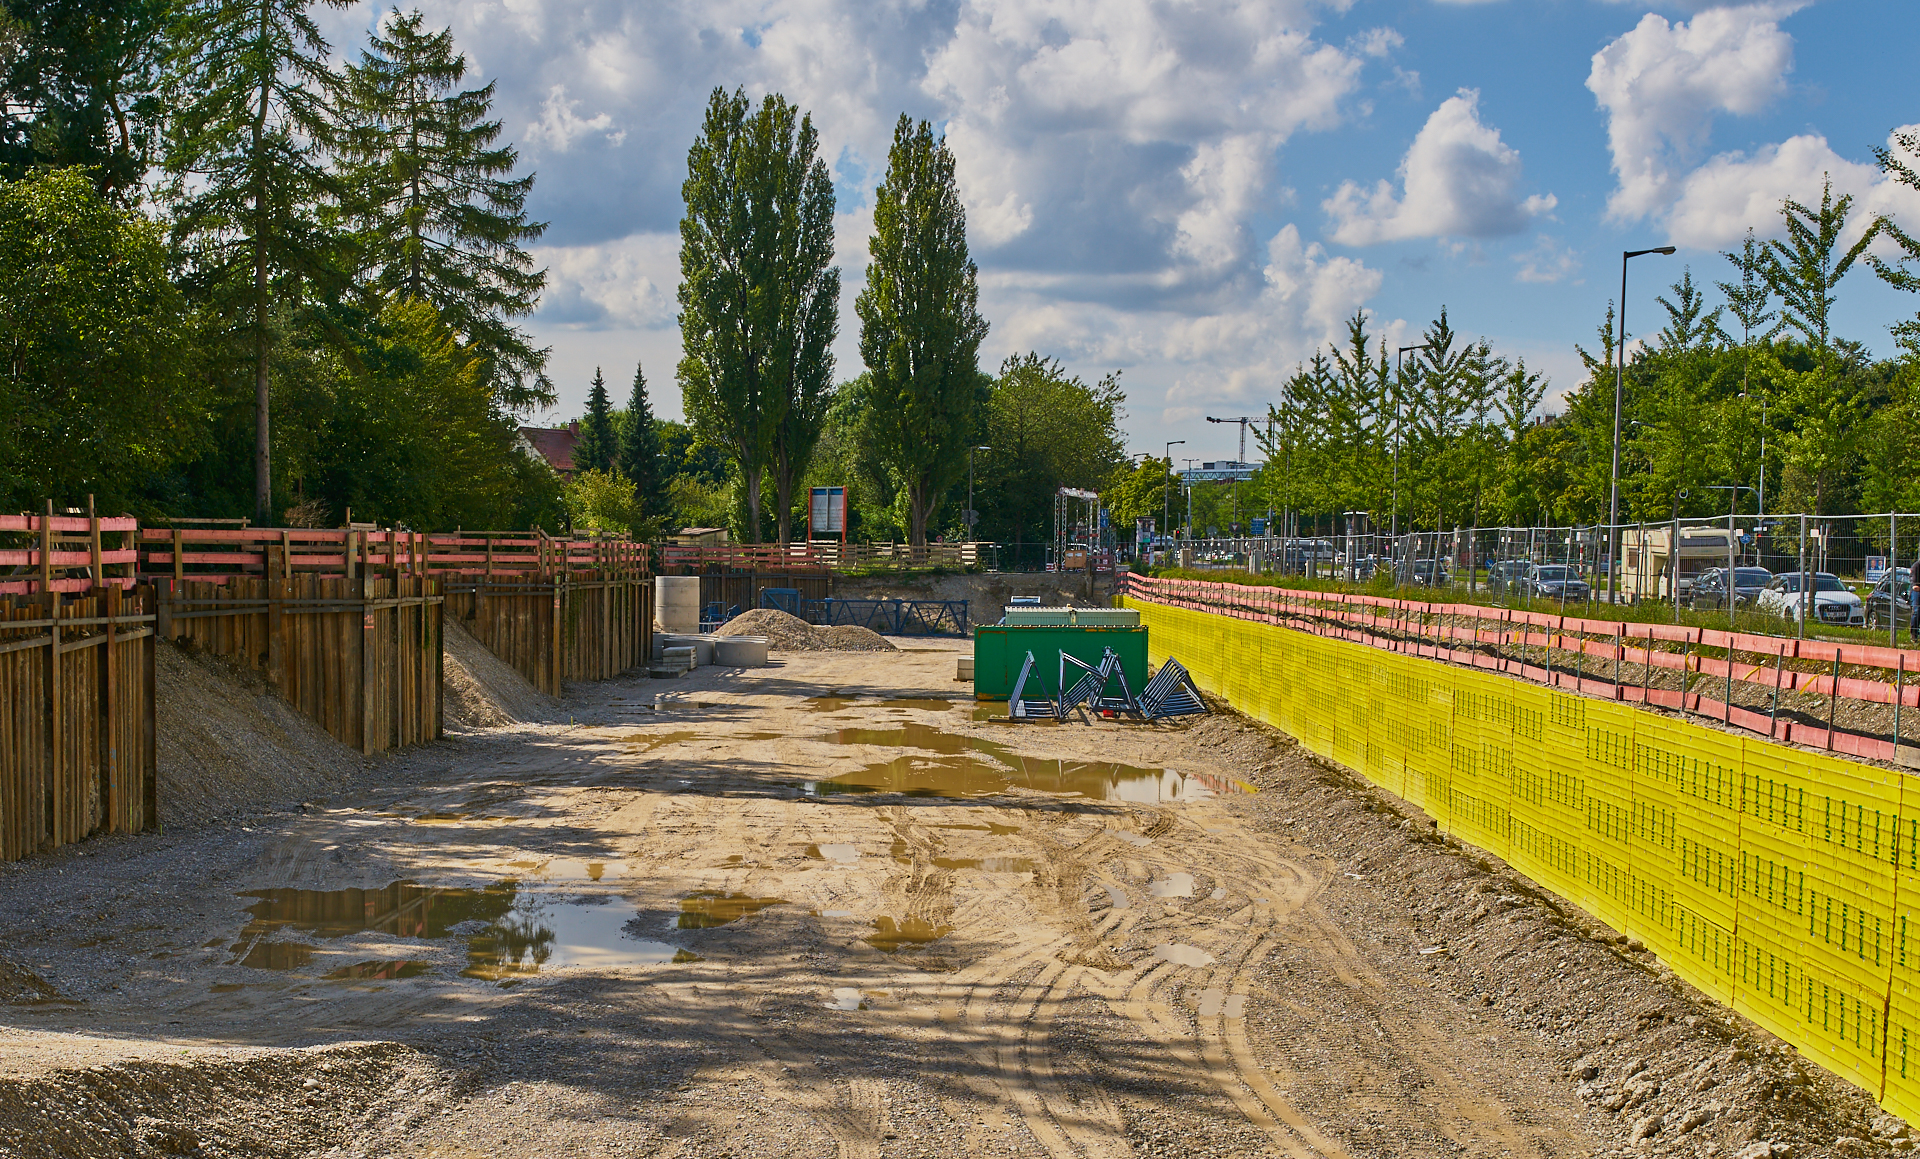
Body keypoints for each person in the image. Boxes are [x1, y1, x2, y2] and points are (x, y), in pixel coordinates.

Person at [1909, 555, 1920, 642]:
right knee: (1917, 611)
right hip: (1917, 592)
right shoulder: (1917, 566)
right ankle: (1914, 635)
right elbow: (1915, 586)